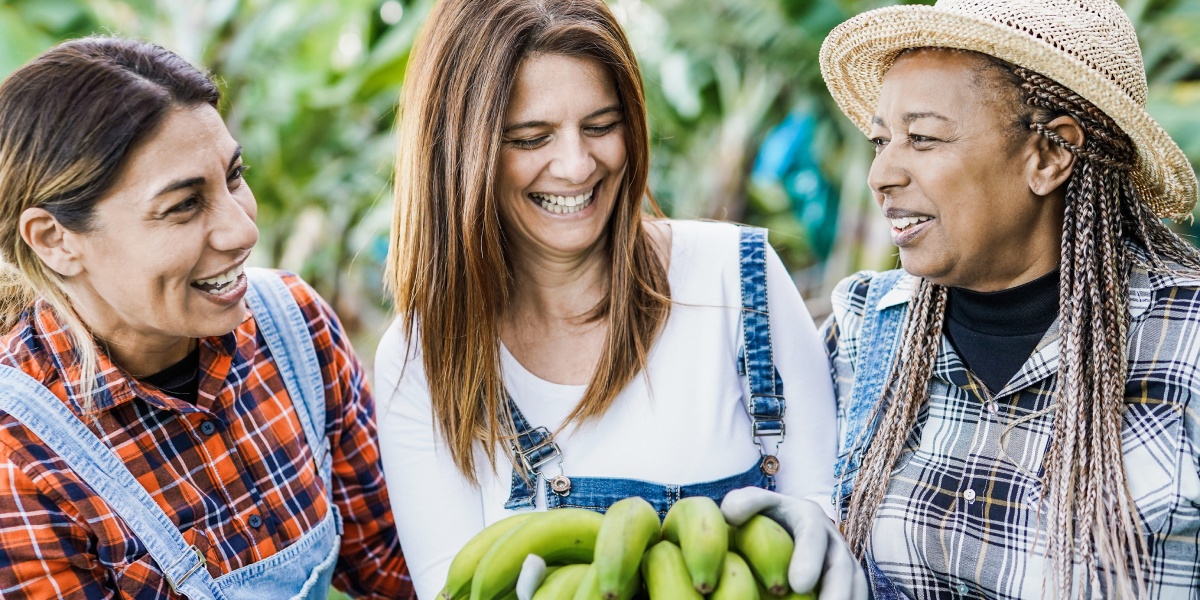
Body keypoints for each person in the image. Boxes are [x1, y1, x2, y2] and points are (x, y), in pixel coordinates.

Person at [373, 0, 838, 597]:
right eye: (531, 137)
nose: (576, 165)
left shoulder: (740, 283)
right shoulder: (423, 360)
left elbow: (826, 505)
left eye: (600, 126)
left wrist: (820, 528)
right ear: (460, 154)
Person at [744, 0, 1200, 597]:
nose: (881, 173)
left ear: (1049, 154)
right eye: (881, 140)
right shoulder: (866, 325)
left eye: (923, 138)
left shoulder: (1185, 341)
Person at [0, 37, 414, 599]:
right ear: (55, 240)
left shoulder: (295, 327)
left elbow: (394, 571)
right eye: (184, 205)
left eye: (235, 176)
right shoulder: (19, 458)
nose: (243, 231)